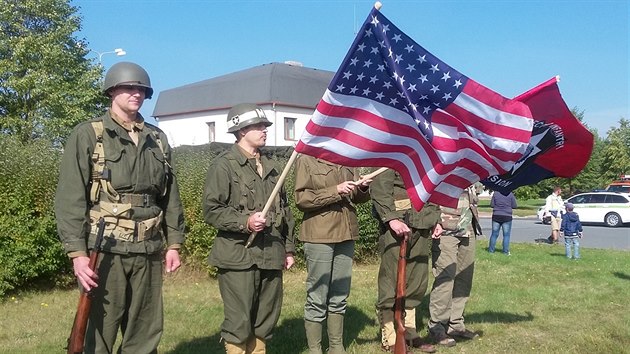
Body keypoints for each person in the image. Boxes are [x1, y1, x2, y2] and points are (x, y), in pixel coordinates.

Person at [55, 62, 186, 353]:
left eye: (141, 89)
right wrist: (77, 254)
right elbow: (70, 198)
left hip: (148, 248)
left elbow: (170, 196)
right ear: (112, 91)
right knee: (99, 330)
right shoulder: (89, 134)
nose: (136, 93)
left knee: (145, 331)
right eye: (129, 88)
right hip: (105, 250)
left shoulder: (158, 139)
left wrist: (174, 243)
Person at [203, 103, 296, 354]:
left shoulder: (274, 167)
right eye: (258, 126)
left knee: (266, 317)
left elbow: (284, 212)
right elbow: (212, 210)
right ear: (241, 130)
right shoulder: (224, 166)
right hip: (238, 255)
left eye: (265, 126)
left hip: (271, 252)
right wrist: (245, 222)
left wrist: (288, 250)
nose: (264, 130)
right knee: (239, 319)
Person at [294, 155, 371, 354]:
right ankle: (315, 349)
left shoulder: (346, 158)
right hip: (319, 234)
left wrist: (361, 188)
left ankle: (336, 346)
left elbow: (356, 197)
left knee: (340, 294)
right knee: (317, 295)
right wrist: (335, 190)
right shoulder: (307, 160)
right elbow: (301, 199)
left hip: (346, 232)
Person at [370, 169, 439, 354]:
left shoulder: (423, 150)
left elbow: (432, 187)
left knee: (416, 280)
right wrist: (391, 218)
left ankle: (409, 331)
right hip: (397, 225)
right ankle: (390, 335)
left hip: (422, 222)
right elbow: (379, 186)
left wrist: (435, 219)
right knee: (391, 281)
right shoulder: (391, 146)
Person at [428, 183, 483, 347]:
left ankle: (455, 324)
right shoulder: (442, 159)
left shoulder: (471, 161)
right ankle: (437, 326)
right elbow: (429, 191)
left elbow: (478, 188)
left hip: (468, 225)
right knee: (445, 278)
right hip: (445, 226)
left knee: (464, 278)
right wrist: (434, 220)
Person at [488, 191, 518, 255]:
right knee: (506, 235)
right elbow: (514, 206)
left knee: (494, 234)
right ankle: (505, 252)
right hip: (507, 216)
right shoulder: (510, 194)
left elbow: (492, 205)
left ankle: (491, 251)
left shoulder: (495, 193)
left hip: (496, 215)